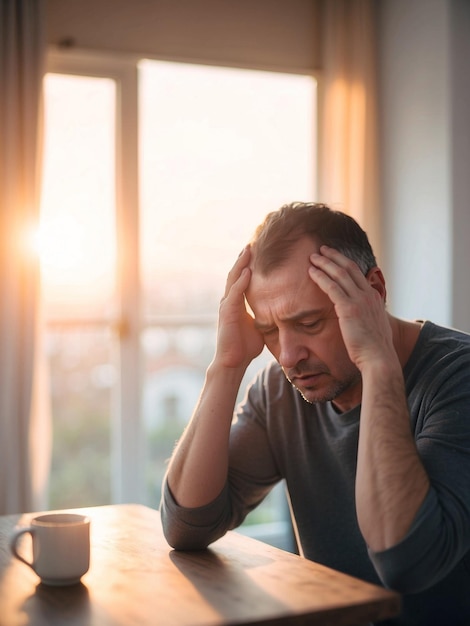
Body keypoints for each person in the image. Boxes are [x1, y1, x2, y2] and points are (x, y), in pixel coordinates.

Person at [160, 202, 470, 626]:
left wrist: (377, 363)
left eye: (309, 323)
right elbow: (187, 526)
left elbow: (406, 563)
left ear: (373, 293)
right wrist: (227, 366)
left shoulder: (458, 378)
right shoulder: (280, 390)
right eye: (269, 330)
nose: (288, 357)